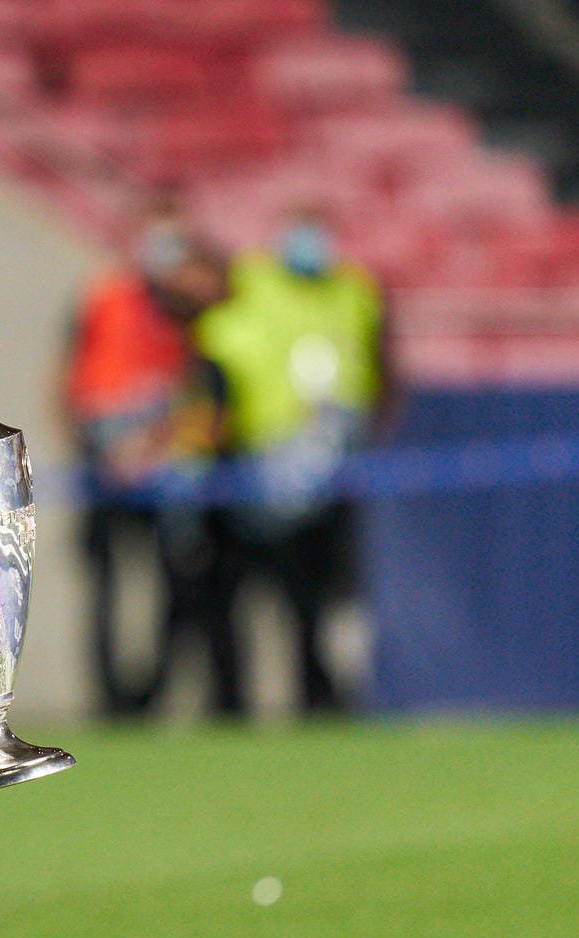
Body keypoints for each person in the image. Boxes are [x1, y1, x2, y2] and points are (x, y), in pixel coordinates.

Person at [192, 207, 389, 715]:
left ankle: (319, 701)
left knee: (314, 599)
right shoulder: (250, 281)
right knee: (229, 595)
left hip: (328, 471)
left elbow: (379, 365)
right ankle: (230, 705)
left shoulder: (354, 290)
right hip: (250, 466)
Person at [61, 199, 229, 716]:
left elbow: (200, 390)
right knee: (107, 588)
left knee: (176, 584)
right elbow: (74, 381)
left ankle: (155, 693)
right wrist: (99, 447)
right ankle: (113, 700)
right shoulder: (106, 299)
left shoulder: (193, 304)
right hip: (106, 466)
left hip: (168, 472)